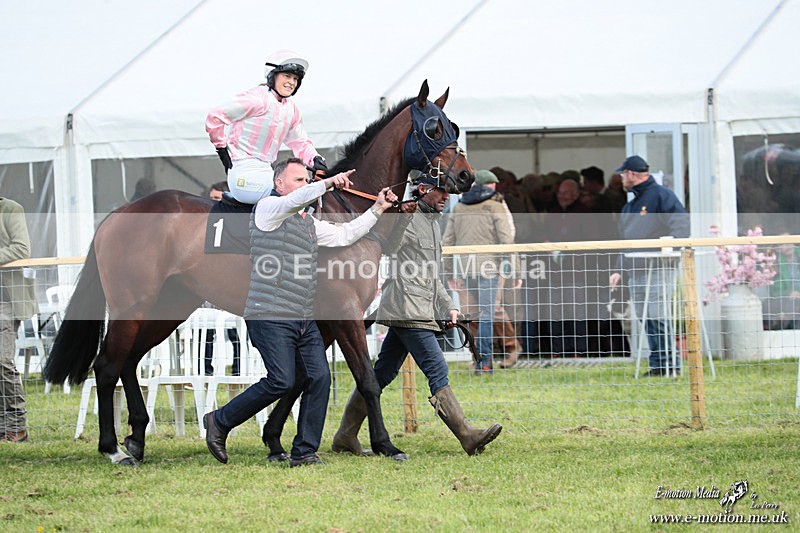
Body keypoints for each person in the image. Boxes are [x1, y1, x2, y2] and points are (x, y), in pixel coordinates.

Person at [203, 158, 397, 467]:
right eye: (298, 180)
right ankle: (219, 420)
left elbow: (346, 235)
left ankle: (304, 451)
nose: (305, 186)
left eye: (307, 181)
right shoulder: (267, 209)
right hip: (269, 314)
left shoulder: (308, 223)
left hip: (303, 318)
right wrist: (328, 183)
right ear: (278, 184)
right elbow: (295, 201)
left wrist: (378, 209)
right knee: (281, 380)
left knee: (319, 378)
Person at [332, 174, 502, 457]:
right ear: (422, 189)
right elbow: (390, 248)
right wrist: (404, 217)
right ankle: (467, 435)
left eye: (449, 192)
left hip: (416, 308)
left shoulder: (433, 222)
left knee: (382, 373)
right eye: (442, 191)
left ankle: (345, 436)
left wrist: (448, 306)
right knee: (437, 369)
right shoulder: (406, 216)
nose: (447, 197)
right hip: (408, 309)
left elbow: (432, 275)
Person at [205, 50, 328, 204]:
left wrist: (315, 159)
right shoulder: (256, 99)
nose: (292, 82)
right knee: (294, 192)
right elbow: (215, 116)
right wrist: (221, 148)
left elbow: (300, 142)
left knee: (307, 190)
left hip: (266, 171)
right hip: (244, 173)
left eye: (295, 79)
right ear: (272, 75)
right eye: (287, 76)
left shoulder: (291, 109)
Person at [609, 155, 690, 377]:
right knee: (646, 318)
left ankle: (670, 364)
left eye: (622, 174)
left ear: (631, 174)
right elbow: (625, 241)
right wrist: (618, 269)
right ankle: (658, 364)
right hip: (635, 269)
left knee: (658, 315)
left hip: (658, 267)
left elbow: (680, 223)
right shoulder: (630, 207)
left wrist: (671, 248)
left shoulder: (661, 195)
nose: (621, 178)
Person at [443, 169, 521, 371]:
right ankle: (484, 361)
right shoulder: (495, 206)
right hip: (490, 268)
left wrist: (450, 273)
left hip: (466, 270)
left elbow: (447, 242)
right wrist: (516, 271)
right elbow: (507, 240)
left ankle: (483, 358)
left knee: (474, 315)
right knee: (487, 314)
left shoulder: (458, 207)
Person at [0, 197, 37, 442]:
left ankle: (17, 426)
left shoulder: (11, 209)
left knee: (3, 361)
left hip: (6, 299)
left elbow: (21, 248)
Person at [202, 181, 243, 376]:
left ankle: (237, 370)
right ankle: (205, 371)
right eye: (211, 199)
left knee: (234, 333)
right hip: (209, 284)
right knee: (207, 332)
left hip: (231, 286)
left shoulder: (233, 226)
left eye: (217, 199)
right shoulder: (206, 224)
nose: (213, 203)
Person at [766, 234, 800, 330]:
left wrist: (798, 291)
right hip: (787, 298)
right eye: (783, 243)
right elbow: (774, 287)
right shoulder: (775, 262)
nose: (788, 245)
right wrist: (790, 293)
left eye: (790, 241)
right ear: (778, 249)